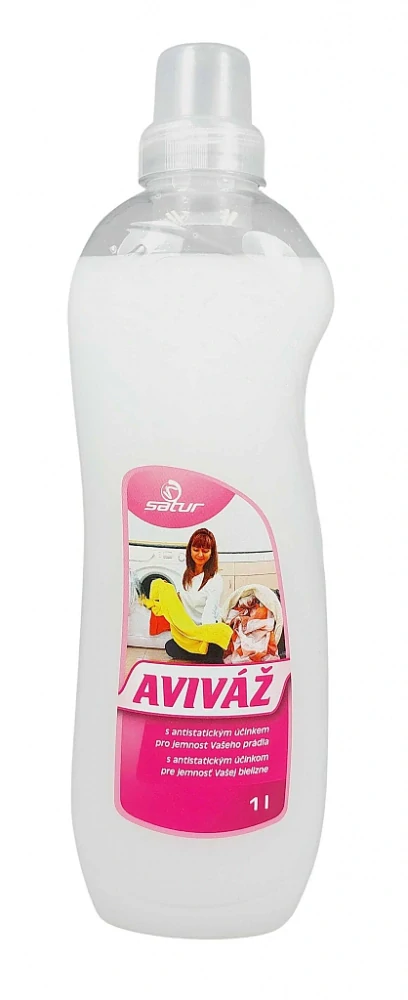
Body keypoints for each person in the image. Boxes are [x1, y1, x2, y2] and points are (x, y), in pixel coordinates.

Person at [165, 528, 224, 663]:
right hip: (189, 632)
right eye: (196, 549)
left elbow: (209, 614)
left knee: (214, 648)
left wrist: (203, 638)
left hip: (207, 630)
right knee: (170, 647)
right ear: (190, 550)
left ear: (212, 553)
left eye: (205, 551)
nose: (200, 554)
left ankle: (204, 653)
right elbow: (179, 602)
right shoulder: (184, 573)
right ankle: (200, 654)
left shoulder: (215, 580)